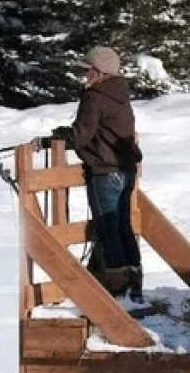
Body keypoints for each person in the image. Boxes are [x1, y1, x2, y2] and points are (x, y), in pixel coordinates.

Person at [55, 46, 144, 302]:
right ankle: (133, 284)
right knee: (123, 227)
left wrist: (61, 137)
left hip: (104, 171)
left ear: (98, 72)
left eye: (87, 70)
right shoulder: (120, 96)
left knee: (108, 230)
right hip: (125, 171)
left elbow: (83, 133)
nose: (84, 76)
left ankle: (117, 288)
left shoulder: (95, 97)